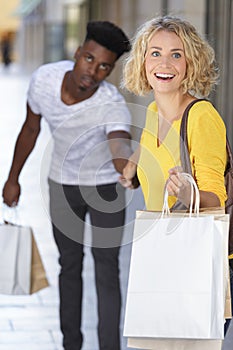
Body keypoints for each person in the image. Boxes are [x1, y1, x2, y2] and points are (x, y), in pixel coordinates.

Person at [2, 21, 133, 350]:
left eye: (104, 66)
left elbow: (118, 143)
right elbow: (30, 129)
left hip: (105, 189)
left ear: (110, 70)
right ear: (77, 53)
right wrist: (13, 177)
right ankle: (70, 344)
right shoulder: (44, 79)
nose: (93, 71)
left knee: (107, 269)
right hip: (62, 186)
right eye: (89, 59)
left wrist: (128, 169)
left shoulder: (111, 102)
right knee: (69, 265)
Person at [119, 15, 231, 345]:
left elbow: (217, 199)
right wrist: (133, 171)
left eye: (176, 54)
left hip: (197, 262)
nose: (164, 63)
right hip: (160, 257)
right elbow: (156, 158)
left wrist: (188, 192)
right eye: (154, 53)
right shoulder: (152, 112)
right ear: (141, 60)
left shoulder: (201, 117)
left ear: (190, 62)